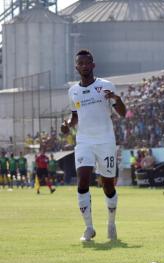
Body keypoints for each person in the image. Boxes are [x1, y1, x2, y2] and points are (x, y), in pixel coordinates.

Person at [61, 49, 126, 242]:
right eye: (80, 64)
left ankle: (111, 224)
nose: (84, 66)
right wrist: (67, 125)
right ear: (76, 67)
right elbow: (74, 117)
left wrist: (116, 99)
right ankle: (89, 228)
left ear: (93, 65)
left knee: (108, 185)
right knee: (82, 180)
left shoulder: (105, 86)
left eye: (87, 63)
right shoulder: (73, 91)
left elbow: (122, 113)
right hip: (84, 141)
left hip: (105, 141)